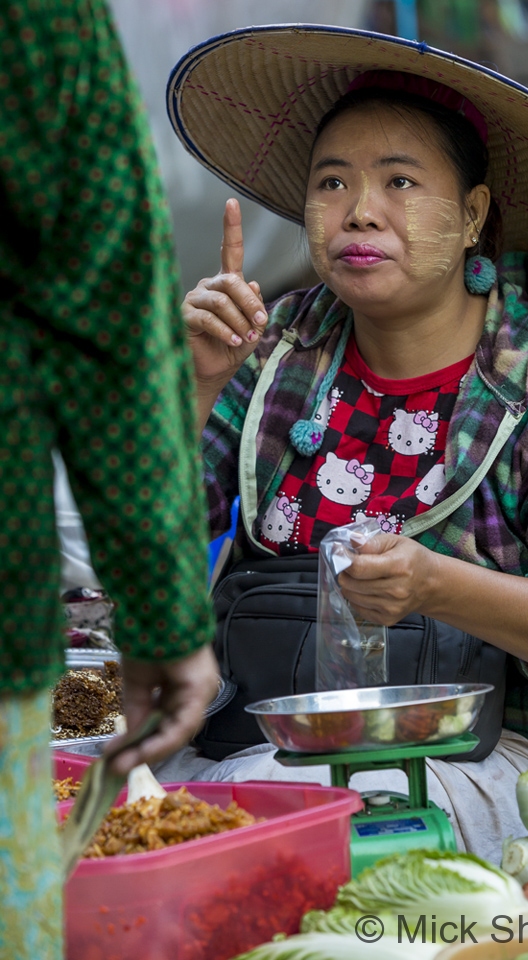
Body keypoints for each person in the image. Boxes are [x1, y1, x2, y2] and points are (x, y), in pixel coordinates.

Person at [165, 25, 528, 863]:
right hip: (265, 734)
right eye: (333, 181)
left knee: (294, 840)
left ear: (472, 217)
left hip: (503, 762)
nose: (359, 210)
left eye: (400, 181)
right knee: (78, 772)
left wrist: (436, 586)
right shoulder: (276, 350)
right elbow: (134, 542)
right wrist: (197, 383)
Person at [0, 3, 219, 958]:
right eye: (336, 182)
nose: (360, 212)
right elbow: (108, 332)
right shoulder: (43, 26)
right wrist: (168, 619)